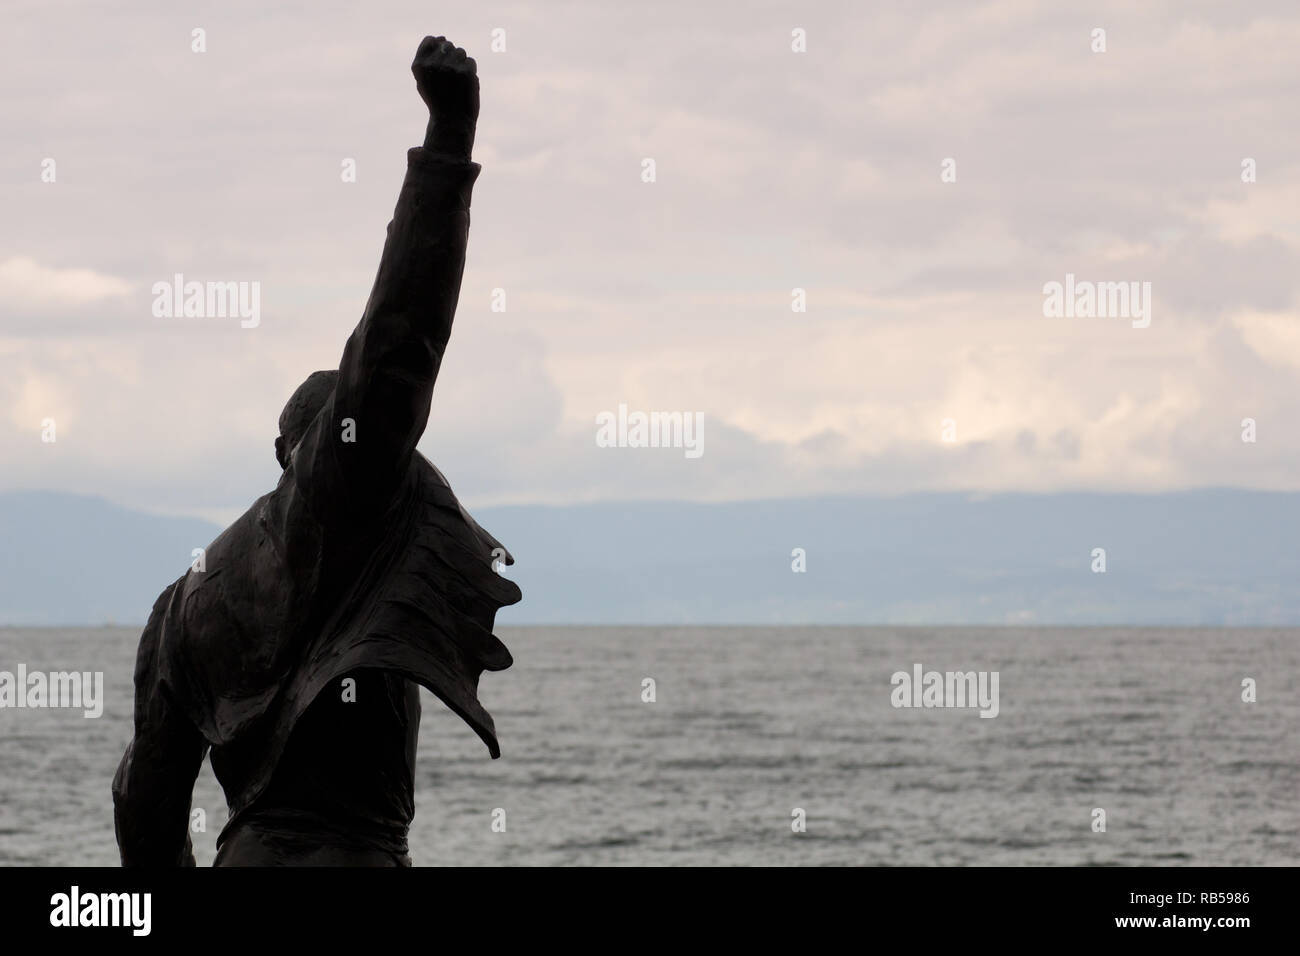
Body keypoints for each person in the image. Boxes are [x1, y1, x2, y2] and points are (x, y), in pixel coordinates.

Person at [112, 35, 520, 866]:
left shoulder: (181, 607)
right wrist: (448, 145)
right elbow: (399, 344)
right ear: (312, 453)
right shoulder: (347, 500)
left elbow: (143, 805)